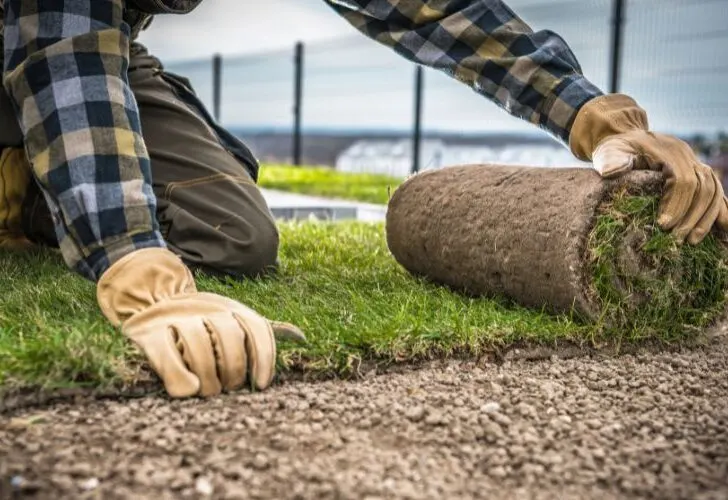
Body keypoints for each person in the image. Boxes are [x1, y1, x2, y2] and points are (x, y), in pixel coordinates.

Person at [2, 0, 726, 399]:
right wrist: (133, 261)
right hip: (49, 27)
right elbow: (59, 43)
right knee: (120, 198)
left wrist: (596, 117)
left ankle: (21, 190)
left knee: (231, 235)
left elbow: (433, 9)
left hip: (112, 38)